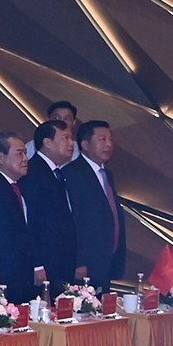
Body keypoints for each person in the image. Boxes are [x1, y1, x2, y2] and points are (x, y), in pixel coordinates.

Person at [0, 130, 46, 305]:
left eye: (25, 153)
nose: (25, 158)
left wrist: (37, 265)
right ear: (0, 157)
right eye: (19, 153)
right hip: (3, 275)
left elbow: (30, 230)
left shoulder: (19, 186)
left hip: (23, 274)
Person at [65, 119, 126, 287]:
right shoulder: (73, 173)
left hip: (107, 260)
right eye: (102, 139)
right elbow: (73, 220)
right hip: (86, 263)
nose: (108, 144)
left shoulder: (107, 174)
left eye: (111, 139)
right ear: (85, 144)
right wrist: (78, 261)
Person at [21, 119, 79, 293]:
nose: (71, 143)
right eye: (65, 138)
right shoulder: (33, 173)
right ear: (47, 142)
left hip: (61, 261)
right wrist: (37, 264)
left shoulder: (57, 173)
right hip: (46, 262)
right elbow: (32, 221)